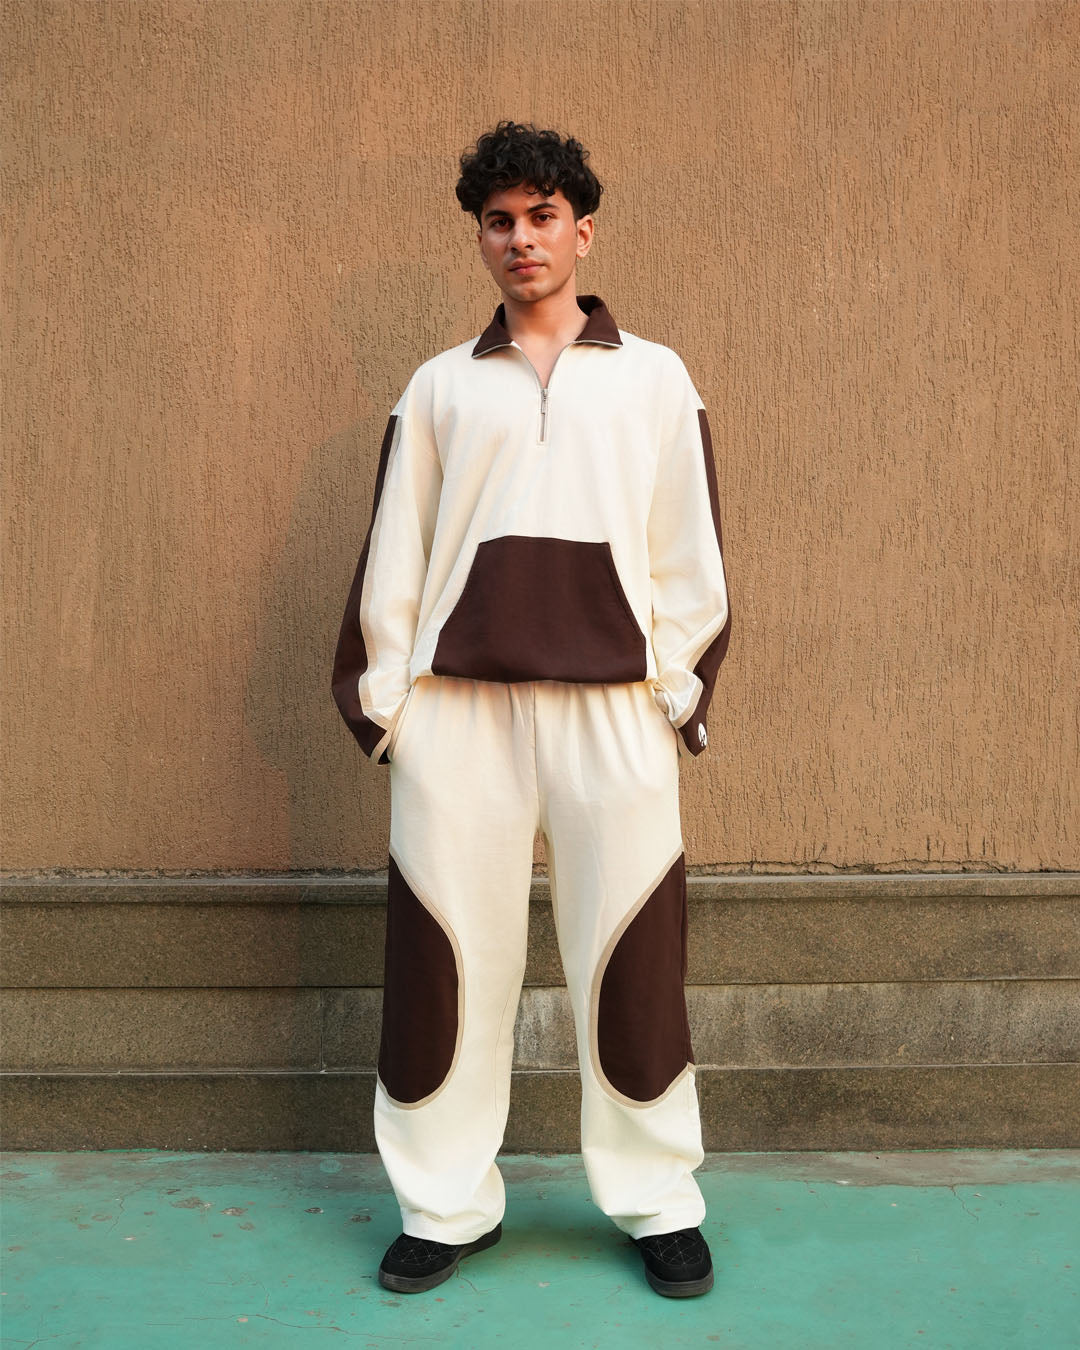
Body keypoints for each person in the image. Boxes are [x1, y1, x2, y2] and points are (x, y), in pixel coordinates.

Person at [331, 120, 731, 1298]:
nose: (522, 239)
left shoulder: (654, 376)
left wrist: (676, 691)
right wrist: (388, 703)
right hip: (460, 712)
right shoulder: (439, 385)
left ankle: (658, 1201)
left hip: (615, 708)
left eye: (542, 217)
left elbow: (690, 545)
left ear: (582, 231)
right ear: (481, 238)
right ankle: (444, 1206)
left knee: (634, 958)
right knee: (446, 963)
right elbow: (395, 545)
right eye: (499, 221)